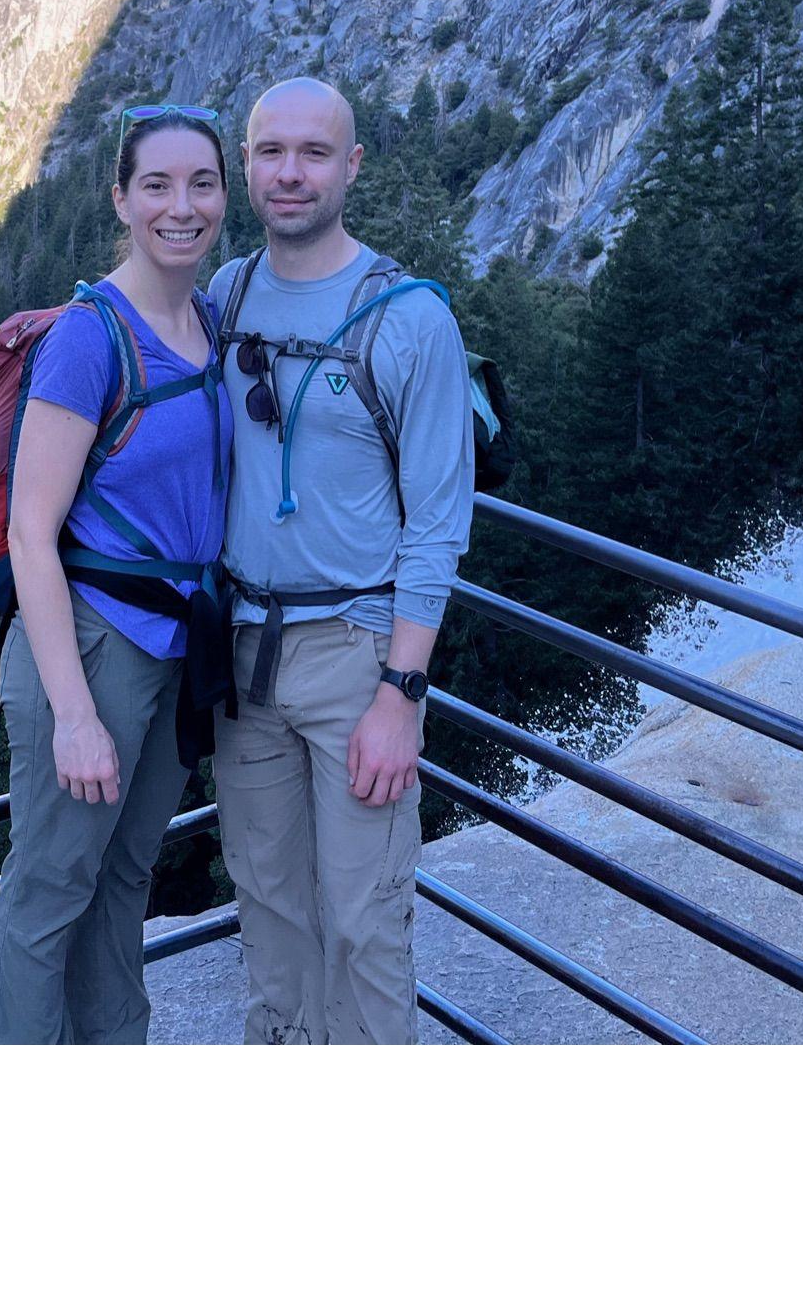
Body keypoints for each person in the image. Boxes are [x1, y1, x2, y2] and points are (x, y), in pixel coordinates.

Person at [207, 77, 475, 1044]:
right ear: (247, 164)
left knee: (365, 925)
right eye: (270, 151)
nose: (290, 172)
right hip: (241, 660)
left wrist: (401, 695)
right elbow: (131, 380)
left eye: (313, 153)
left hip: (358, 658)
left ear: (350, 166)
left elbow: (438, 523)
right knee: (268, 911)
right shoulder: (225, 294)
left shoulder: (409, 319)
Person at [0, 105, 235, 1043]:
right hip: (90, 650)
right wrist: (76, 715)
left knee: (122, 880)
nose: (182, 206)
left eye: (201, 183)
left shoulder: (208, 320)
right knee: (49, 893)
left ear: (223, 195)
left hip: (175, 652)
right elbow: (28, 534)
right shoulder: (92, 337)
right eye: (158, 185)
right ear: (121, 198)